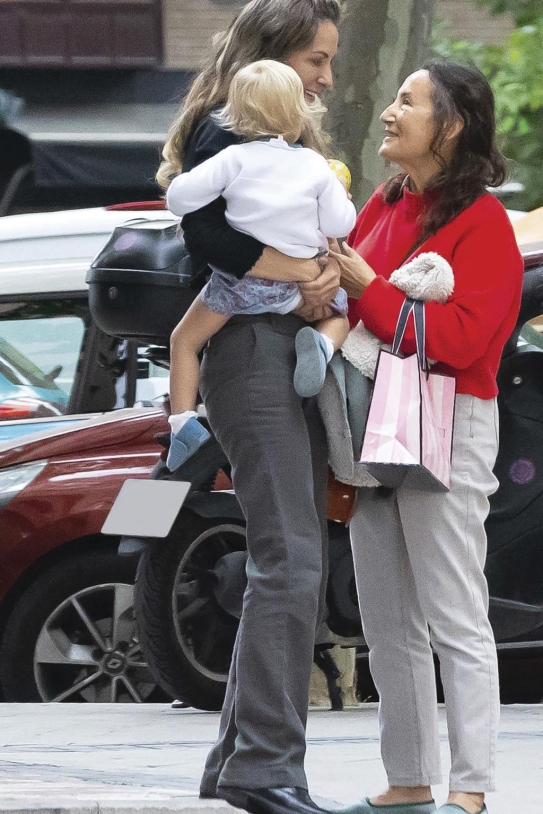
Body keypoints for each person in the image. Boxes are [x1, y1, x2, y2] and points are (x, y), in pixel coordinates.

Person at [156, 2, 343, 814]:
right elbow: (212, 245)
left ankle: (238, 759)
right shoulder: (223, 134)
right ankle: (263, 769)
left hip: (268, 348)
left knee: (294, 555)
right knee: (291, 560)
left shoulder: (259, 143)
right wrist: (306, 271)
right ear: (270, 62)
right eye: (314, 60)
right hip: (251, 353)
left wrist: (319, 273)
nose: (325, 79)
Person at [330, 61, 523, 814]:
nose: (387, 112)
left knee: (452, 615)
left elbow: (465, 341)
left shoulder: (483, 223)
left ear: (448, 127)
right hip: (370, 425)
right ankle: (408, 781)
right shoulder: (381, 203)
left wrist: (362, 290)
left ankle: (469, 789)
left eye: (405, 102)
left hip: (444, 423)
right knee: (383, 619)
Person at [165, 59, 355, 471]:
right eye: (318, 60)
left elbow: (179, 200)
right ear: (299, 113)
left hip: (241, 285)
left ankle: (182, 426)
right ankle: (321, 345)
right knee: (340, 315)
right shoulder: (314, 166)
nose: (326, 74)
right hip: (303, 291)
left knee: (183, 341)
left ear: (238, 114)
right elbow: (341, 224)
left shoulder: (232, 159)